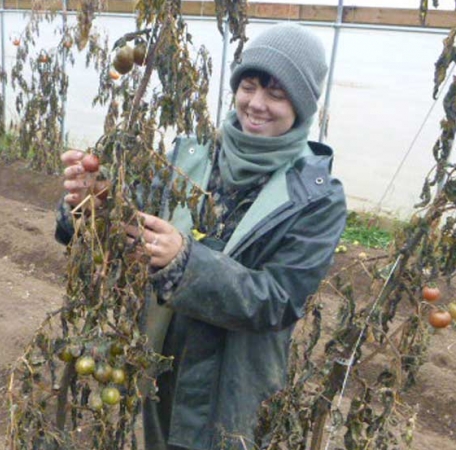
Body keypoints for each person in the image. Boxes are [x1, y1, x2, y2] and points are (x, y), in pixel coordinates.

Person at [56, 23, 346, 450]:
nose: (257, 104)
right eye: (249, 86)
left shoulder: (316, 198)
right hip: (161, 363)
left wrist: (185, 263)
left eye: (277, 94)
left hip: (232, 391)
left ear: (302, 105)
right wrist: (91, 204)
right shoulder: (189, 155)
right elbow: (128, 224)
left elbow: (278, 300)